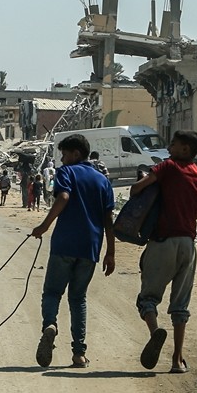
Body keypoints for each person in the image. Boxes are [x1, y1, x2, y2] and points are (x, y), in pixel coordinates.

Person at [128, 130, 197, 374]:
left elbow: (137, 189)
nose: (169, 147)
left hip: (162, 242)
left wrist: (141, 183)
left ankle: (154, 332)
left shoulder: (168, 167)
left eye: (174, 144)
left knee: (148, 298)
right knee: (181, 305)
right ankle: (177, 359)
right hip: (188, 245)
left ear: (185, 149)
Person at [30, 134, 116, 368]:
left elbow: (64, 196)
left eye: (65, 154)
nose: (62, 158)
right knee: (78, 299)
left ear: (76, 153)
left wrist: (44, 226)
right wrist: (111, 252)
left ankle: (50, 324)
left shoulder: (67, 172)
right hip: (91, 247)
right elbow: (108, 218)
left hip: (64, 244)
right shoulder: (102, 181)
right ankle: (79, 354)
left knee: (52, 293)